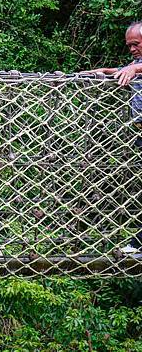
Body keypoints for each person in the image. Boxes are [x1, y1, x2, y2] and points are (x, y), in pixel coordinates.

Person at [85, 21, 142, 254]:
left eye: (135, 44)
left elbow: (135, 70)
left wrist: (134, 70)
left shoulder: (138, 67)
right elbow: (128, 70)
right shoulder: (137, 63)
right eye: (129, 45)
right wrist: (107, 72)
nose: (131, 49)